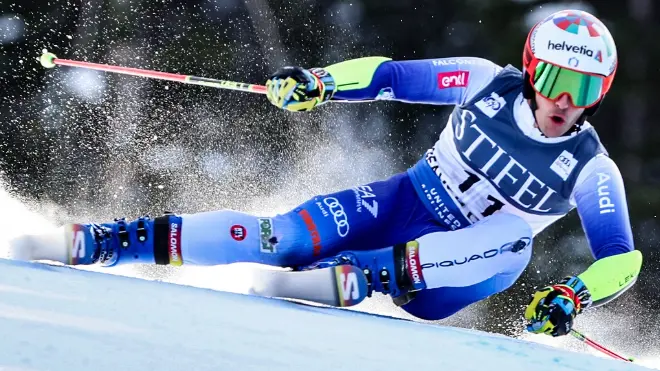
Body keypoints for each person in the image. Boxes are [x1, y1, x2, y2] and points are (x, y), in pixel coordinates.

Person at [11, 9, 642, 337]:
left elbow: (622, 259)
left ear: (601, 92)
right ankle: (106, 241)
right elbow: (392, 77)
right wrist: (320, 83)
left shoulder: (592, 168)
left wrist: (572, 296)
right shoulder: (483, 81)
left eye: (584, 88)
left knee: (512, 239)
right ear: (535, 70)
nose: (564, 99)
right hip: (404, 201)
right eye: (557, 79)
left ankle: (359, 279)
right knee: (278, 238)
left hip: (458, 272)